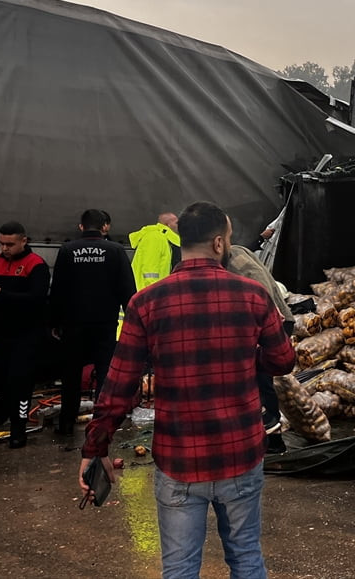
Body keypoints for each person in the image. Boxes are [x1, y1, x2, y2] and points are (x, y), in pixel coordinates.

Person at [79, 201, 294, 578]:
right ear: (217, 243)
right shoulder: (253, 295)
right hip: (240, 454)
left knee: (179, 567)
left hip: (179, 460)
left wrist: (95, 446)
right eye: (227, 239)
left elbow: (118, 385)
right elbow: (283, 361)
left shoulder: (145, 303)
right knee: (246, 557)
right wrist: (246, 357)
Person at [49, 209, 135, 435]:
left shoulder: (67, 250)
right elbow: (127, 289)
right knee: (105, 372)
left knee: (71, 374)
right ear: (105, 226)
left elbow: (57, 289)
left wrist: (55, 321)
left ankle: (66, 423)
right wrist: (134, 322)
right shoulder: (115, 250)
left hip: (73, 324)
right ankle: (102, 424)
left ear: (81, 226)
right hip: (104, 324)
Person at [0, 222, 50, 448]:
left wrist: (2, 295)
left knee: (20, 383)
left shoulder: (36, 264)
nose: (4, 248)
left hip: (26, 334)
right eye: (1, 244)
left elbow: (37, 299)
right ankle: (1, 411)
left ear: (23, 241)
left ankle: (19, 430)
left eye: (9, 244)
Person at [224, 244, 296, 455]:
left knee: (260, 382)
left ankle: (272, 441)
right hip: (264, 322)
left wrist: (268, 314)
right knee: (256, 380)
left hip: (270, 322)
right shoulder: (233, 253)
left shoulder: (234, 258)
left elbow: (258, 281)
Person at [128, 212, 181, 291]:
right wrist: (154, 294)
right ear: (167, 225)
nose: (179, 225)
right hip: (147, 294)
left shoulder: (164, 239)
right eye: (176, 222)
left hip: (150, 292)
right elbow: (149, 271)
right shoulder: (155, 237)